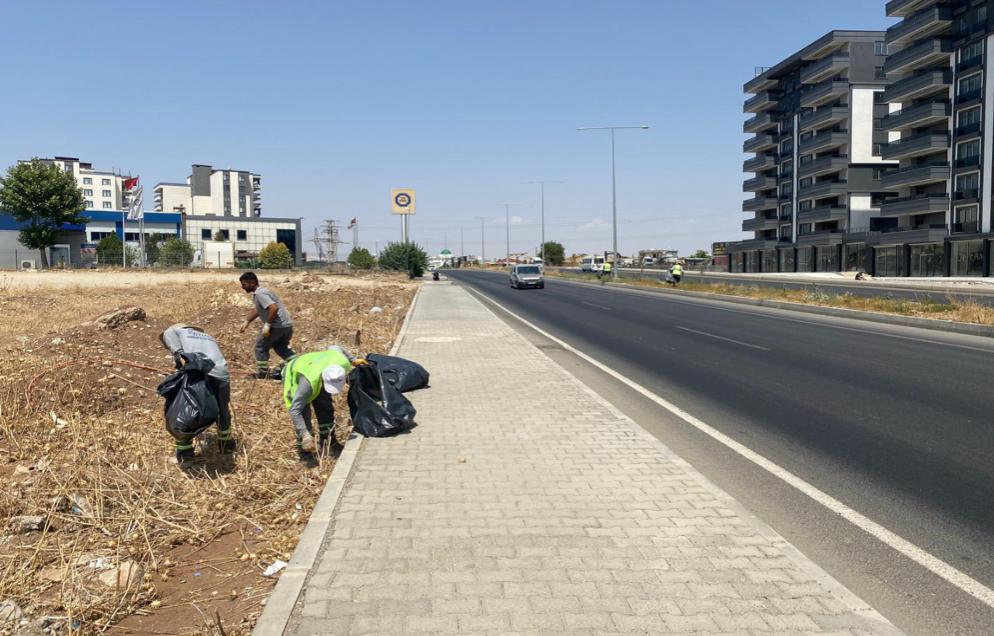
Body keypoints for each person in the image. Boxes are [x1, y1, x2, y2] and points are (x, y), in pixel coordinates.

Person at [159, 324, 236, 463]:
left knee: (182, 407)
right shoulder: (207, 337)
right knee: (222, 409)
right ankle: (226, 445)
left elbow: (181, 357)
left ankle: (185, 453)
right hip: (221, 373)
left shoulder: (171, 331)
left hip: (200, 374)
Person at [282, 346, 364, 463]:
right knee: (304, 413)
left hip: (315, 367)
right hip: (297, 370)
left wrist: (353, 360)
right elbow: (295, 410)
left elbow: (335, 346)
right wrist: (305, 434)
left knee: (325, 406)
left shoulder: (342, 363)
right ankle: (305, 452)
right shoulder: (307, 384)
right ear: (323, 379)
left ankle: (329, 442)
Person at [239, 272, 296, 379]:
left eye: (244, 284)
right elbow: (258, 309)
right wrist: (247, 321)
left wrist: (268, 325)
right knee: (280, 347)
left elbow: (273, 308)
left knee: (260, 346)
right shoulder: (263, 291)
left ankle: (262, 374)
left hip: (277, 326)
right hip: (286, 325)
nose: (242, 287)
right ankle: (298, 364)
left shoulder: (260, 294)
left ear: (252, 282)